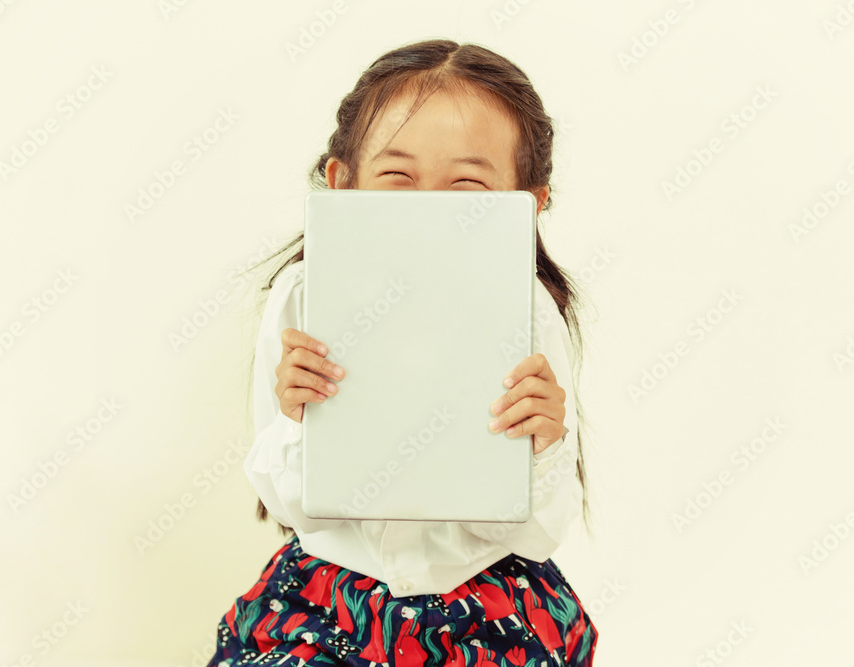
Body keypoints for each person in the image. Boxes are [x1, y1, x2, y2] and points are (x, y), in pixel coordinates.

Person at [206, 38, 598, 666]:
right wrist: (297, 419)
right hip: (329, 604)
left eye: (466, 183)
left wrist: (543, 447)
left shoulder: (528, 309)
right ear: (343, 181)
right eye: (398, 176)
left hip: (490, 605)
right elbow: (289, 503)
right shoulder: (301, 298)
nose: (428, 206)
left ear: (529, 204)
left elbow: (541, 528)